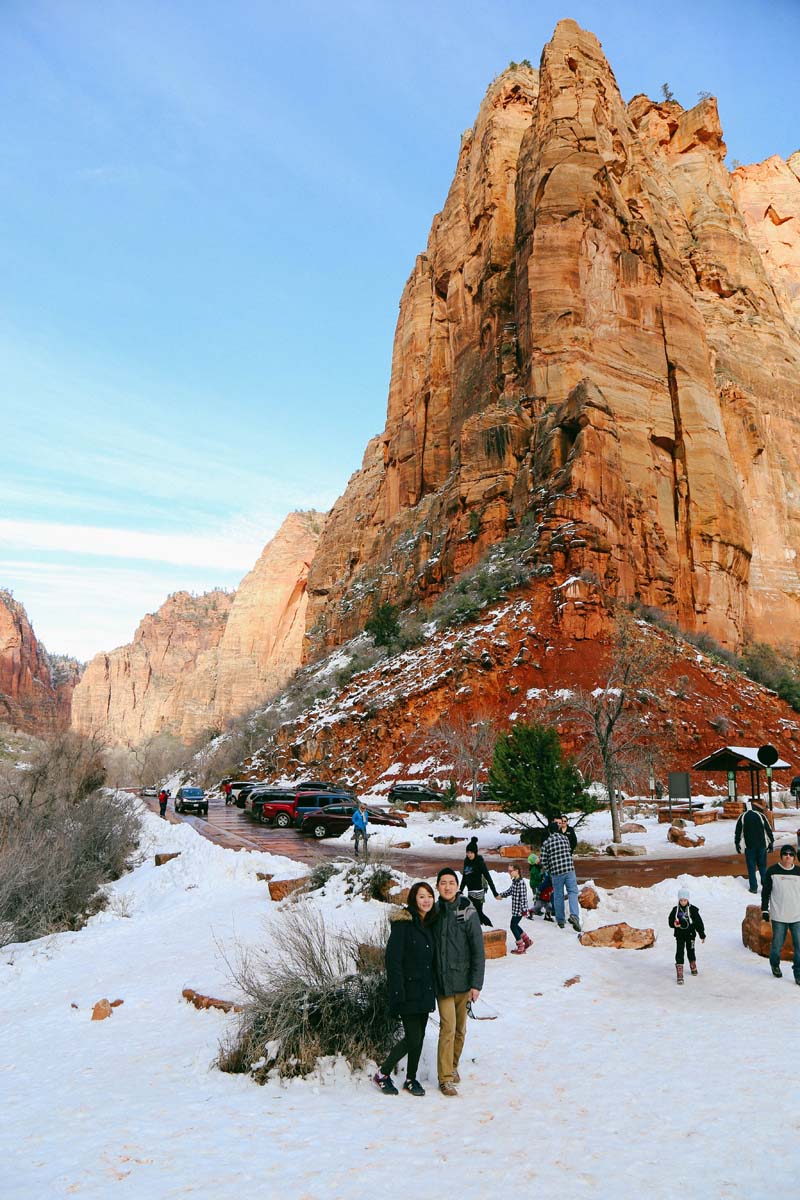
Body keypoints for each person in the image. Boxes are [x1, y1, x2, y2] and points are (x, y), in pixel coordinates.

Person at [373, 882, 438, 1097]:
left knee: (419, 1035)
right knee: (413, 1037)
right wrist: (398, 992)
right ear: (413, 899)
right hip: (408, 991)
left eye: (429, 896)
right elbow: (393, 961)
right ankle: (382, 1074)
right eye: (421, 896)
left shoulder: (428, 924)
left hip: (425, 990)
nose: (426, 900)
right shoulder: (404, 924)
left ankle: (411, 1079)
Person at [431, 867, 485, 1097]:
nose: (447, 886)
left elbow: (477, 950)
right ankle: (444, 1078)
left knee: (461, 1029)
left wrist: (476, 984)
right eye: (443, 882)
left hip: (463, 981)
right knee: (448, 1028)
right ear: (437, 887)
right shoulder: (432, 912)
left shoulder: (467, 910)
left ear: (457, 885)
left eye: (451, 882)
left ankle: (452, 1065)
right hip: (442, 981)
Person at [762, 844, 800, 984]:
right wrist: (764, 910)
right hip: (779, 916)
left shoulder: (798, 872)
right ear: (781, 856)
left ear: (794, 857)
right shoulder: (772, 871)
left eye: (791, 854)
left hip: (797, 916)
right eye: (785, 854)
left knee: (799, 946)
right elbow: (766, 892)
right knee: (777, 945)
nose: (788, 856)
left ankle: (798, 973)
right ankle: (775, 964)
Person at [540, 819, 581, 931]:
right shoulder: (565, 838)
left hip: (556, 872)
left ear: (549, 831)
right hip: (569, 869)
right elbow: (568, 850)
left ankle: (560, 920)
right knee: (572, 892)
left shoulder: (546, 843)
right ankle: (574, 915)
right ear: (558, 830)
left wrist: (549, 869)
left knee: (558, 895)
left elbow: (543, 861)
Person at [668, 886, 706, 984]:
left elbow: (698, 923)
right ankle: (679, 971)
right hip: (680, 935)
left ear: (687, 899)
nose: (683, 902)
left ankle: (692, 963)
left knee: (691, 951)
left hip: (690, 935)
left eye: (685, 900)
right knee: (679, 952)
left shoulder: (693, 910)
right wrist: (674, 924)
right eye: (681, 900)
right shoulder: (676, 910)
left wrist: (702, 934)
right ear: (679, 900)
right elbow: (670, 921)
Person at [735, 799, 774, 893]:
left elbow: (738, 832)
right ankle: (765, 886)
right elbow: (768, 829)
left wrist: (737, 843)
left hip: (749, 847)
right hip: (762, 846)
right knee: (762, 866)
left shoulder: (742, 816)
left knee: (751, 868)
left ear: (745, 808)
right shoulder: (761, 816)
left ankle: (754, 888)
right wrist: (771, 842)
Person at [459, 837, 498, 926]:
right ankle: (480, 929)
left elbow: (488, 878)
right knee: (473, 913)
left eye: (471, 853)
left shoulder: (479, 862)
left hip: (478, 892)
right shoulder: (466, 861)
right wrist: (460, 890)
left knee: (478, 913)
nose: (469, 855)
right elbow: (464, 877)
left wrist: (494, 892)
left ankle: (489, 927)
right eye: (468, 852)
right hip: (470, 892)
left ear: (475, 852)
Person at [498, 863, 532, 954]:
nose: (509, 872)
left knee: (513, 926)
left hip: (519, 910)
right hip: (516, 909)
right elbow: (510, 891)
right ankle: (527, 940)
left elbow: (524, 897)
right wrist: (501, 895)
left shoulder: (521, 883)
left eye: (510, 871)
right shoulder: (515, 882)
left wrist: (524, 910)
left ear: (516, 871)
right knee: (515, 925)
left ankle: (521, 947)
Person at [527, 849, 553, 920]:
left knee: (546, 901)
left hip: (541, 885)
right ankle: (534, 910)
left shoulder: (538, 866)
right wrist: (542, 873)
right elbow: (538, 877)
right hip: (535, 885)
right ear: (534, 863)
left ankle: (547, 914)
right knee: (538, 899)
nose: (539, 861)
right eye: (537, 860)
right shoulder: (534, 869)